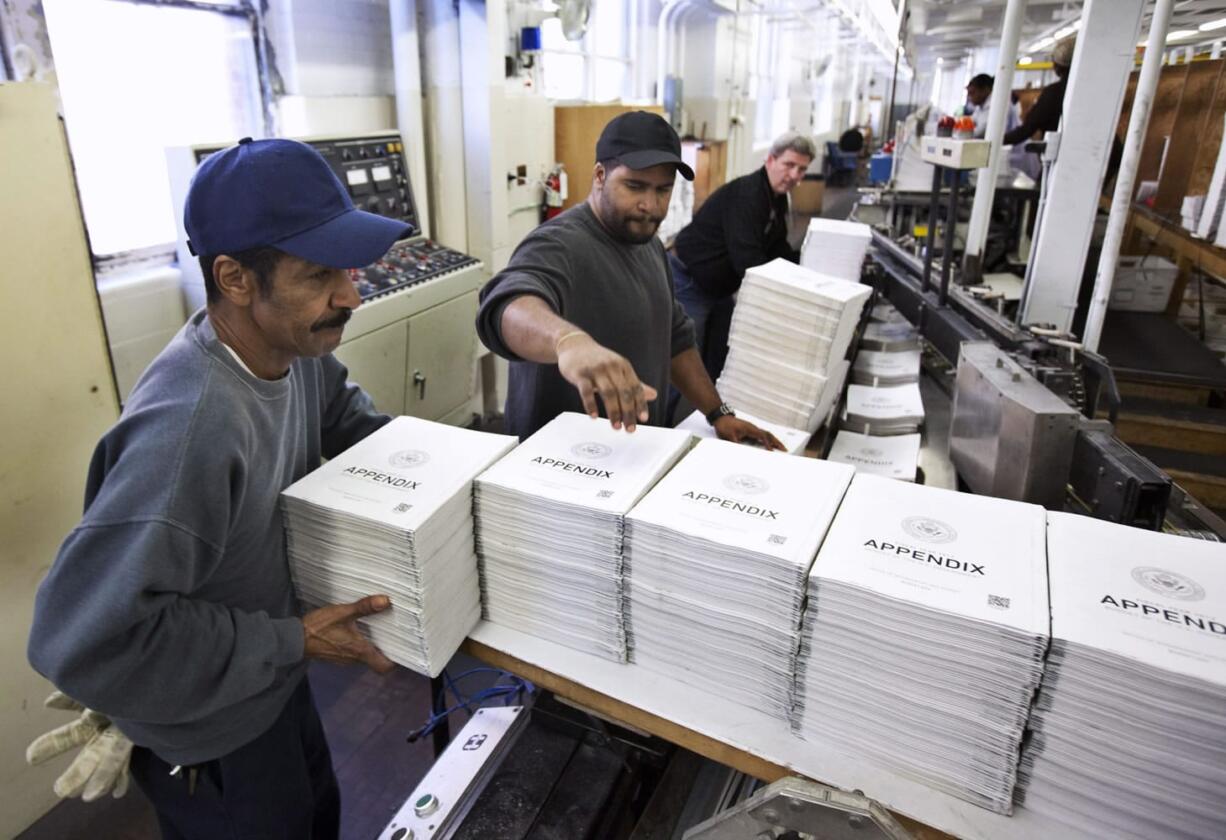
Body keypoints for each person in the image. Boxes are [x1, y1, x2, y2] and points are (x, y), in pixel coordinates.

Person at [27, 137, 408, 839]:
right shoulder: (190, 432)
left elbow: (352, 423)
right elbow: (79, 640)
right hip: (213, 730)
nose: (350, 294)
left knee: (317, 817)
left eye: (349, 268)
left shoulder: (294, 354)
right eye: (321, 272)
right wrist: (290, 638)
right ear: (234, 278)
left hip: (272, 680)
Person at [476, 110, 782, 449]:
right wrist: (568, 341)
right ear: (599, 175)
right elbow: (506, 305)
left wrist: (717, 413)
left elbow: (676, 339)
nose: (649, 205)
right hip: (560, 461)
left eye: (663, 190)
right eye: (634, 186)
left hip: (635, 453)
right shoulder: (560, 242)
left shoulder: (649, 245)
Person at [667, 131, 816, 400]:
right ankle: (662, 428)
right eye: (789, 165)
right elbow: (748, 261)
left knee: (719, 360)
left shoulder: (777, 198)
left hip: (719, 289)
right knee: (683, 365)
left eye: (802, 169)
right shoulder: (748, 195)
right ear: (770, 160)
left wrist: (812, 261)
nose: (795, 175)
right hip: (689, 281)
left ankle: (710, 420)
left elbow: (777, 249)